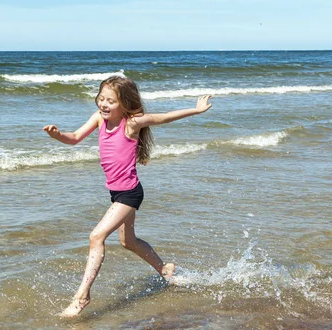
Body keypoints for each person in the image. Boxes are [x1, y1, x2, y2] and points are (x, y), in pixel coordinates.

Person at [43, 76, 212, 317]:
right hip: (117, 193)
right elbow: (74, 138)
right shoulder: (98, 119)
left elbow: (163, 117)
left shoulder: (131, 123)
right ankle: (165, 269)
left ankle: (81, 297)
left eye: (110, 101)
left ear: (124, 103)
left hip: (130, 193)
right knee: (128, 242)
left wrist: (196, 110)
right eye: (101, 98)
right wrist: (57, 135)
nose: (103, 104)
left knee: (96, 236)